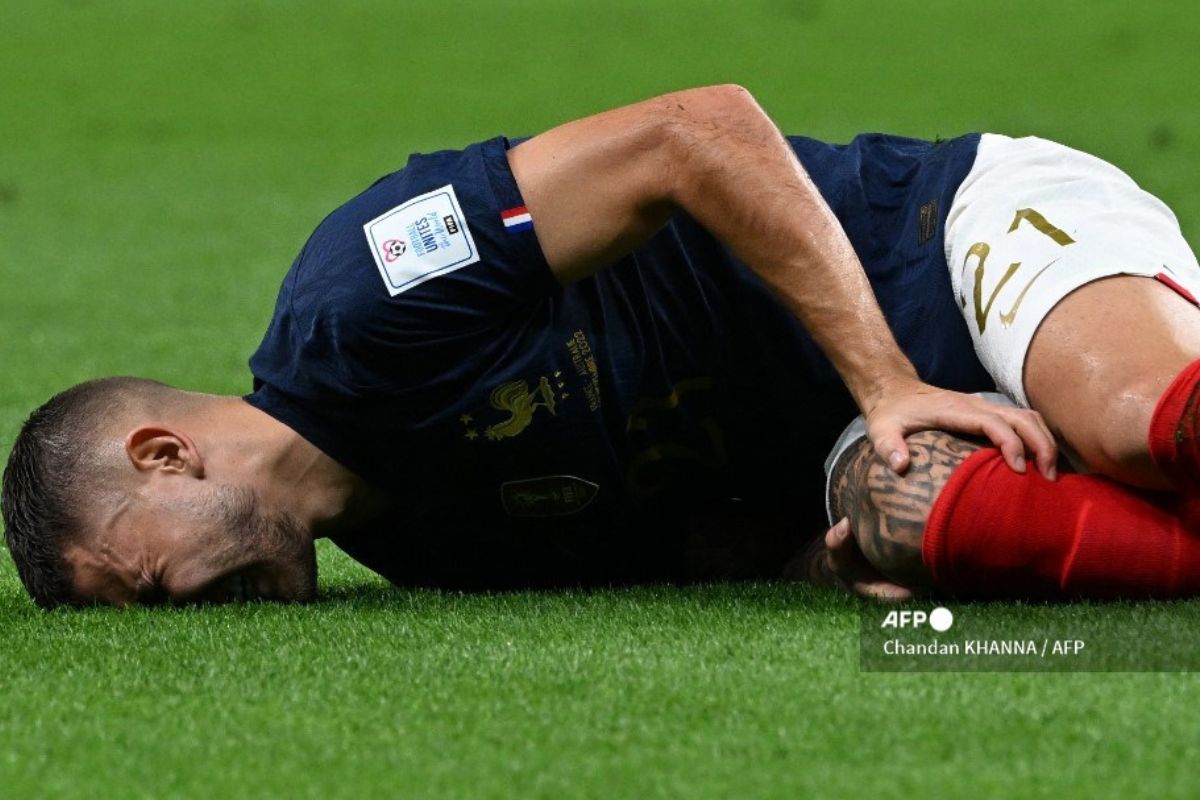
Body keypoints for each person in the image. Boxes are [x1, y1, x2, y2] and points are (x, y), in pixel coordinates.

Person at [0, 84, 1183, 608]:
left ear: (162, 453)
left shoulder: (359, 293)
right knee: (925, 517)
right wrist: (838, 553)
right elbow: (715, 538)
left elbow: (698, 132)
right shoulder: (427, 548)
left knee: (1135, 422)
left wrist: (885, 383)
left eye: (145, 580)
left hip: (942, 237)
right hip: (861, 422)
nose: (184, 616)